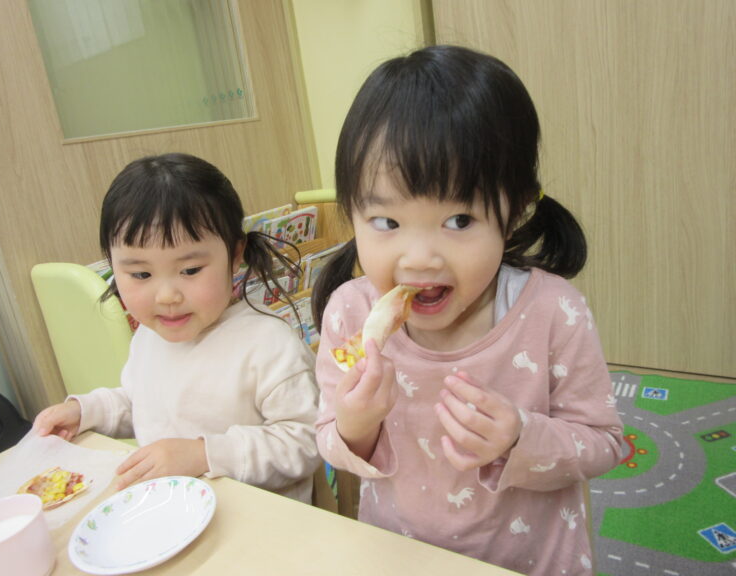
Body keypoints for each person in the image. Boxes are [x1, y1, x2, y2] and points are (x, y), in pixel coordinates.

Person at [312, 45, 623, 575]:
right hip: (401, 555)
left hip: (530, 559)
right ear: (353, 214)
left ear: (517, 207)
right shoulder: (350, 314)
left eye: (458, 221)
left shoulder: (554, 313)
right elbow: (330, 443)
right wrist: (355, 424)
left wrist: (522, 436)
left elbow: (605, 444)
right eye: (386, 223)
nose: (418, 257)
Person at [34, 153, 320, 503]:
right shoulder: (149, 336)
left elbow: (304, 441)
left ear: (234, 255)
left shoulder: (268, 344)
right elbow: (142, 401)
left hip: (259, 525)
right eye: (141, 275)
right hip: (173, 513)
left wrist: (203, 455)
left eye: (190, 271)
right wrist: (87, 411)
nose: (167, 296)